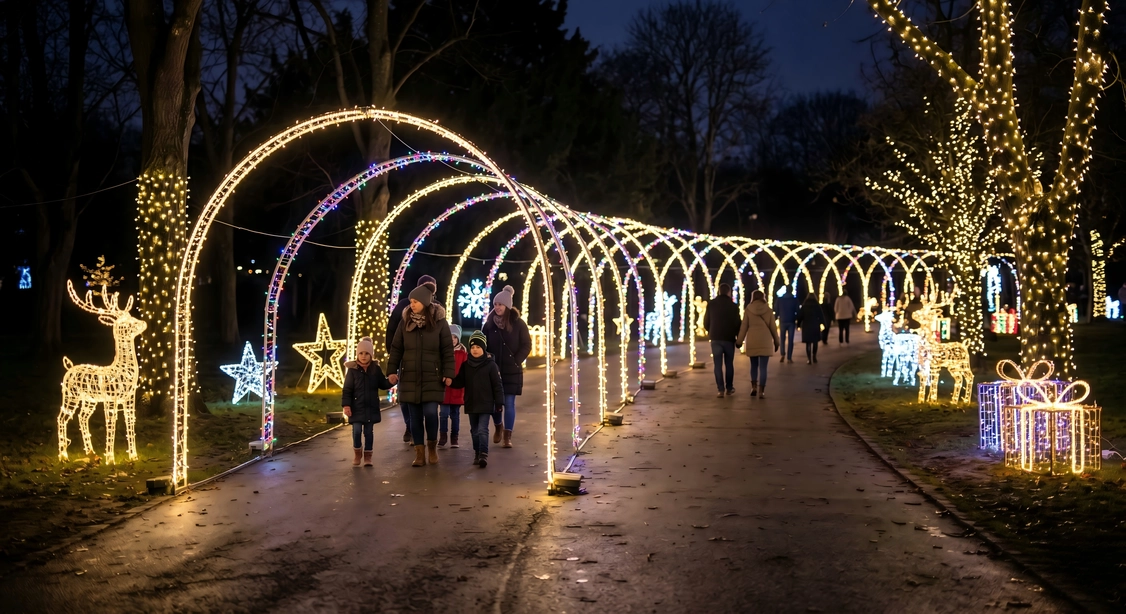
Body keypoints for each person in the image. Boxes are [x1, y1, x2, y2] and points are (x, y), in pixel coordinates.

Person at [386, 283, 455, 467]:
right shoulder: (405, 321)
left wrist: (448, 373)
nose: (412, 304)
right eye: (411, 301)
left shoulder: (439, 322)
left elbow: (447, 350)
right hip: (409, 376)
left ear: (425, 302)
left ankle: (432, 447)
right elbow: (396, 348)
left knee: (431, 413)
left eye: (415, 301)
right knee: (414, 417)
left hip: (432, 376)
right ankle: (419, 452)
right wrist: (392, 371)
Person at [386, 274, 441, 444]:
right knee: (405, 397)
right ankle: (410, 426)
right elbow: (392, 332)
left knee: (429, 403)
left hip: (430, 362)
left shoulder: (437, 309)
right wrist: (393, 356)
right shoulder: (404, 307)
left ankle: (426, 436)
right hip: (407, 358)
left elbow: (443, 338)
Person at [482, 285, 531, 448]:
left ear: (507, 306)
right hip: (493, 370)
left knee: (509, 403)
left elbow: (526, 344)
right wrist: (486, 359)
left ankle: (507, 436)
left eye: (500, 305)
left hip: (511, 371)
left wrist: (516, 360)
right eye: (495, 304)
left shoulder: (519, 324)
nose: (497, 307)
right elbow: (482, 344)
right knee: (495, 403)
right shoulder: (489, 324)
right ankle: (498, 426)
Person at [449, 331, 505, 468]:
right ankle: (477, 452)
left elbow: (497, 385)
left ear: (483, 348)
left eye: (478, 347)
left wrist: (499, 403)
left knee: (482, 429)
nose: (475, 350)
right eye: (473, 347)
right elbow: (460, 382)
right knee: (474, 430)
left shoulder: (491, 365)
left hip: (486, 403)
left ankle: (483, 454)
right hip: (471, 402)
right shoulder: (466, 365)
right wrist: (449, 381)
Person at [341, 337, 394, 467]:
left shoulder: (375, 370)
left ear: (371, 355)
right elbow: (347, 389)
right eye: (361, 353)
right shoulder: (352, 371)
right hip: (356, 407)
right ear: (357, 354)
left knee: (369, 432)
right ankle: (357, 453)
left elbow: (382, 383)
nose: (363, 356)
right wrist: (346, 405)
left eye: (366, 354)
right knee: (357, 430)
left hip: (371, 407)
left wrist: (391, 381)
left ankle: (368, 456)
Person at [736, 290, 779, 399]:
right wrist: (777, 342)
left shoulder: (748, 310)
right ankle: (762, 391)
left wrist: (739, 341)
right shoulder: (768, 310)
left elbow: (744, 327)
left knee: (754, 366)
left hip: (752, 340)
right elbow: (773, 328)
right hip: (765, 340)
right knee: (763, 367)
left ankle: (754, 387)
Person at [703, 283, 742, 397]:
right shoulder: (734, 306)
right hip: (729, 339)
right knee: (729, 364)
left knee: (717, 365)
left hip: (715, 338)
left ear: (719, 291)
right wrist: (736, 335)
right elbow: (737, 323)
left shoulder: (711, 304)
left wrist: (711, 331)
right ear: (729, 292)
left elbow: (706, 322)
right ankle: (729, 388)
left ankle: (720, 390)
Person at [439, 324, 467, 447]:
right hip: (444, 389)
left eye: (455, 337)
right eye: (449, 337)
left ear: (458, 339)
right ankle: (443, 435)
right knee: (443, 414)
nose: (452, 340)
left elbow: (465, 371)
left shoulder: (463, 353)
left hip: (457, 389)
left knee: (455, 415)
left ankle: (454, 437)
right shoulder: (442, 352)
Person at [796, 295, 825, 364]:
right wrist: (823, 323)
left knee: (808, 343)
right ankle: (814, 356)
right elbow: (821, 315)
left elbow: (800, 316)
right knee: (815, 342)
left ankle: (809, 359)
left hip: (806, 326)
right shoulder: (817, 306)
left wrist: (798, 325)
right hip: (815, 325)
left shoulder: (804, 306)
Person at [774, 288, 800, 363]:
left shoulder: (780, 299)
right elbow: (797, 310)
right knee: (790, 340)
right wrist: (797, 319)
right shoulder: (794, 300)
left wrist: (777, 316)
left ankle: (782, 354)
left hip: (782, 320)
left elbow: (776, 309)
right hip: (791, 321)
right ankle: (789, 357)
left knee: (782, 339)